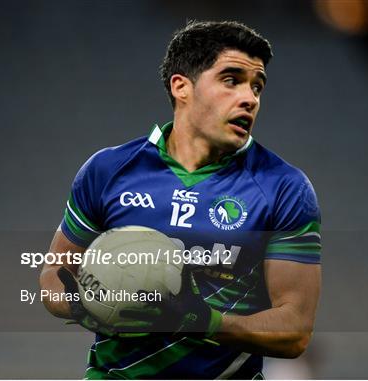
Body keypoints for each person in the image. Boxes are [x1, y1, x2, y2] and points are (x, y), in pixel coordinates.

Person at [39, 20, 321, 379]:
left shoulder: (283, 187)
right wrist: (86, 304)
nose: (250, 98)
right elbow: (53, 275)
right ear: (181, 86)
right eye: (231, 80)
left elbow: (295, 330)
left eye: (257, 86)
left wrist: (204, 321)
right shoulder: (108, 170)